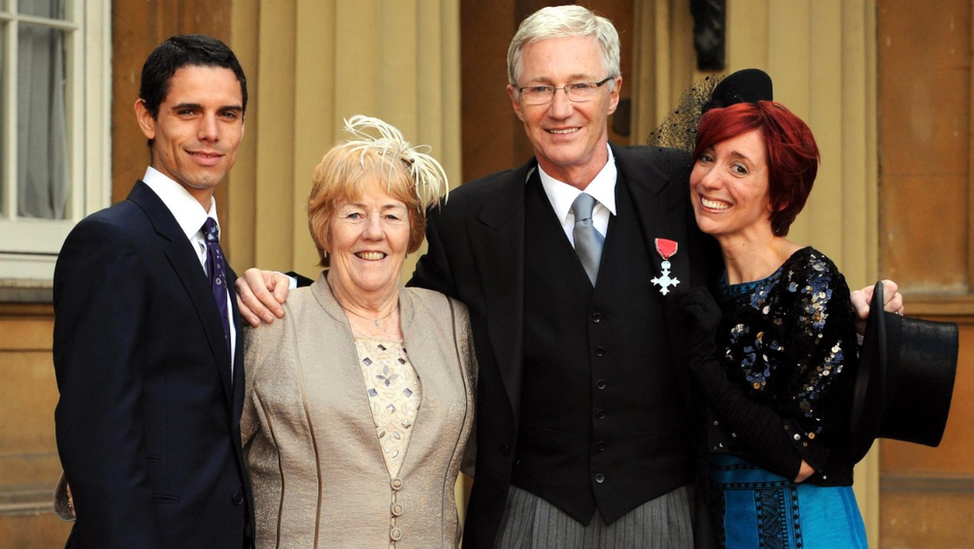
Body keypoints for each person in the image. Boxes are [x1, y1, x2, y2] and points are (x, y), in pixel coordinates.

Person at [235, 7, 902, 549]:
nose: (562, 107)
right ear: (515, 101)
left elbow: (756, 263)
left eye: (580, 85)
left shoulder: (682, 185)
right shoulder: (471, 215)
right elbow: (397, 305)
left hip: (664, 507)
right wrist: (296, 288)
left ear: (612, 92)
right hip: (530, 509)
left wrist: (847, 309)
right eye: (540, 88)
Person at [52, 35, 253, 549]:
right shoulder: (111, 242)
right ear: (147, 118)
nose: (210, 132)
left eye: (228, 114)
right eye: (189, 111)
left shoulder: (212, 258)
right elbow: (98, 441)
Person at [241, 116, 477, 548]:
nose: (374, 232)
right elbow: (205, 452)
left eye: (392, 214)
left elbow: (496, 452)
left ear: (411, 232)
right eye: (354, 214)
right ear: (324, 228)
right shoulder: (271, 320)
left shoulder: (454, 324)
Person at [677, 100, 868, 548]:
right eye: (707, 157)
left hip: (808, 528)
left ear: (780, 195)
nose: (710, 179)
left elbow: (799, 457)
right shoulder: (707, 283)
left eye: (739, 168)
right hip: (721, 527)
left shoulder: (810, 280)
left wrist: (706, 361)